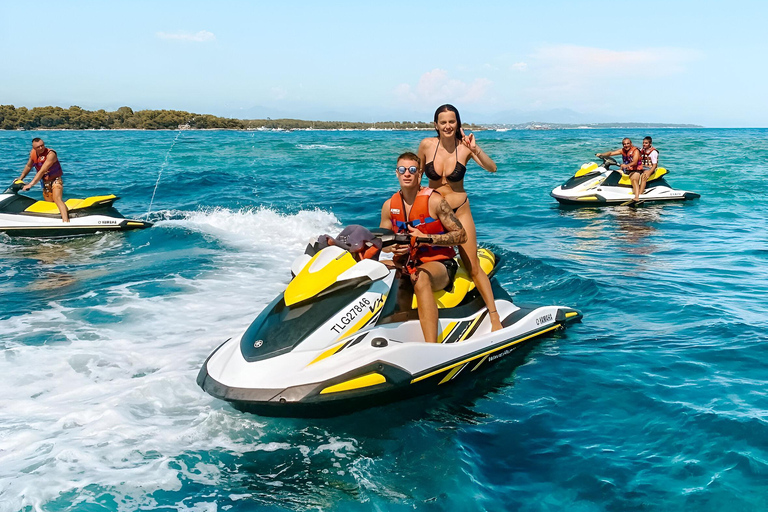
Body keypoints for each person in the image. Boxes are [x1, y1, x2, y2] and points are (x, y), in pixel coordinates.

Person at [417, 104, 502, 331]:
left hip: (460, 210)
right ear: (436, 125)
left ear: (458, 123)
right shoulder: (426, 145)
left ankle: (494, 317)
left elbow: (492, 168)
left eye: (451, 121)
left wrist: (475, 149)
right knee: (418, 261)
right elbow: (415, 176)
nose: (447, 126)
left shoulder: (464, 148)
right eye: (443, 122)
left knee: (472, 265)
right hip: (434, 212)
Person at [379, 152, 467, 343]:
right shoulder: (389, 206)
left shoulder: (435, 202)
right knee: (376, 271)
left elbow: (461, 235)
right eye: (402, 170)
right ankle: (391, 336)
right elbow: (383, 243)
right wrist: (392, 248)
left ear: (419, 174)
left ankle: (431, 345)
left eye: (412, 170)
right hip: (406, 262)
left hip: (438, 264)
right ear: (397, 173)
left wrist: (425, 238)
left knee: (419, 278)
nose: (407, 174)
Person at [17, 138, 69, 222]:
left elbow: (42, 171)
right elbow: (29, 166)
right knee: (49, 204)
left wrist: (30, 184)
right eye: (38, 147)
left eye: (42, 145)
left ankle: (66, 222)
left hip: (56, 180)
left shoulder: (51, 154)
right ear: (34, 148)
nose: (41, 148)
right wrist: (21, 178)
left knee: (57, 199)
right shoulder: (33, 153)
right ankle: (53, 221)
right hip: (45, 183)